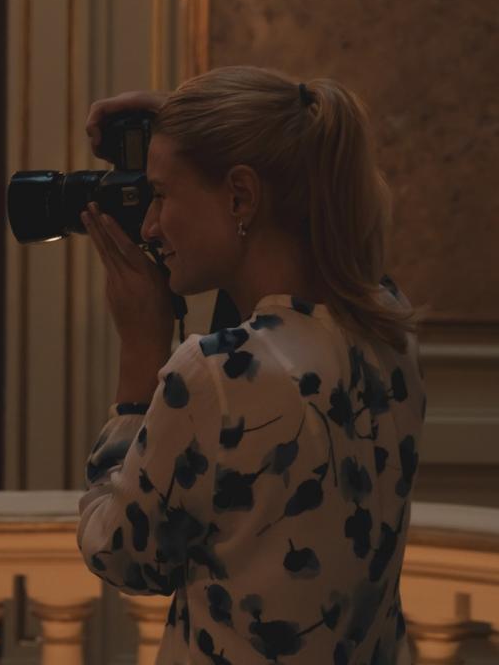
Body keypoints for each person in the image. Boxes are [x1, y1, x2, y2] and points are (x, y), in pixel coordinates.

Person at [76, 66, 424, 664]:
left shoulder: (216, 372)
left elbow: (122, 554)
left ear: (240, 195)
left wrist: (139, 351)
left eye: (161, 194)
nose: (150, 226)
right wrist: (195, 133)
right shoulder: (391, 327)